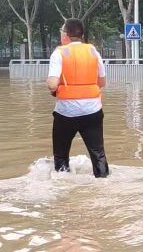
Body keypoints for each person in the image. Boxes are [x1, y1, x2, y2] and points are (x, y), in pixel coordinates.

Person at [46, 18, 109, 178]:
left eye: (61, 30)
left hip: (66, 113)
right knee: (98, 153)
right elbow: (102, 82)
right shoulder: (93, 51)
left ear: (66, 34)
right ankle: (103, 182)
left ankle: (63, 187)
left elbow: (52, 84)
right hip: (92, 110)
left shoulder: (60, 52)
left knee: (61, 155)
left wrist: (58, 85)